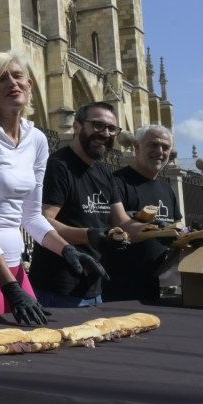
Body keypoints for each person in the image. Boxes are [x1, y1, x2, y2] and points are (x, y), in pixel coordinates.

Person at [0, 51, 106, 324]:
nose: (12, 83)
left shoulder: (37, 139)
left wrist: (67, 250)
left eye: (18, 76)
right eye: (1, 79)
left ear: (29, 85)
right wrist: (11, 288)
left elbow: (32, 216)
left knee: (34, 337)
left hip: (16, 263)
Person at [29, 101, 145, 309]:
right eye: (98, 125)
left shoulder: (103, 172)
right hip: (59, 288)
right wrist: (89, 235)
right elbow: (44, 220)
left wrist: (159, 231)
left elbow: (123, 222)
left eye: (112, 129)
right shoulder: (59, 166)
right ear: (76, 126)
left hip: (94, 286)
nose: (106, 133)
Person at [104, 125, 182, 302]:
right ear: (136, 147)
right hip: (121, 287)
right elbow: (114, 227)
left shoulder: (166, 189)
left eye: (165, 147)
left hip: (159, 284)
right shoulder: (117, 182)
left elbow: (176, 229)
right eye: (153, 145)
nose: (159, 151)